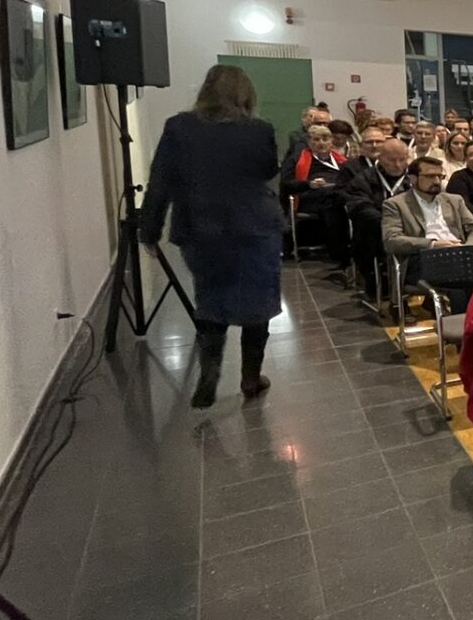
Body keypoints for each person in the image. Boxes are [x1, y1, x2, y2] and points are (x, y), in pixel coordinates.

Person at [139, 64, 285, 410]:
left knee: (210, 299)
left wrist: (149, 229)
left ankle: (209, 376)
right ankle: (251, 378)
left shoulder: (178, 127)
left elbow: (160, 181)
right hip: (254, 227)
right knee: (258, 304)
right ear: (246, 94)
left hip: (200, 228)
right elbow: (267, 170)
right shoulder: (259, 129)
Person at [339, 134, 412, 299]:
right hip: (376, 230)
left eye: (402, 159)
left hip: (411, 228)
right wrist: (389, 223)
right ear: (380, 157)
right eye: (391, 160)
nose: (397, 165)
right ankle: (385, 287)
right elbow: (359, 207)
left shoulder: (413, 177)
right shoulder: (364, 178)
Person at [384, 156, 473, 258]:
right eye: (430, 176)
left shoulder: (455, 200)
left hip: (459, 254)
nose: (437, 181)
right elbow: (391, 241)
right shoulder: (396, 204)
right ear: (413, 179)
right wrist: (432, 244)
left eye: (440, 176)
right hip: (423, 257)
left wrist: (468, 248)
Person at [279, 122, 349, 267]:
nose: (321, 143)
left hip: (337, 195)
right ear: (309, 142)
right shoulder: (297, 159)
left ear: (331, 141)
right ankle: (338, 251)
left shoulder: (341, 160)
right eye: (316, 139)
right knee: (332, 203)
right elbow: (286, 183)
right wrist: (309, 184)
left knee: (341, 200)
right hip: (309, 196)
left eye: (325, 139)